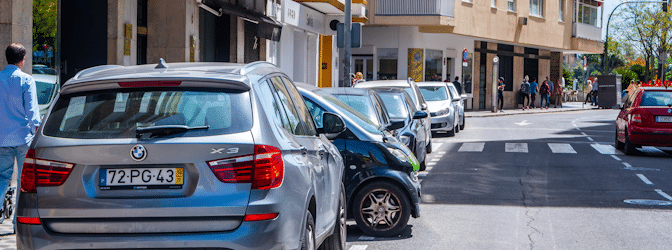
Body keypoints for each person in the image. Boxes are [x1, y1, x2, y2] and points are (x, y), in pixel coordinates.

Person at [0, 43, 41, 231]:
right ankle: (17, 223)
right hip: (23, 138)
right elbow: (32, 112)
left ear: (6, 58)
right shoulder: (27, 80)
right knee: (22, 182)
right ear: (22, 60)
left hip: (2, 139)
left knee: (2, 178)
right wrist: (37, 133)